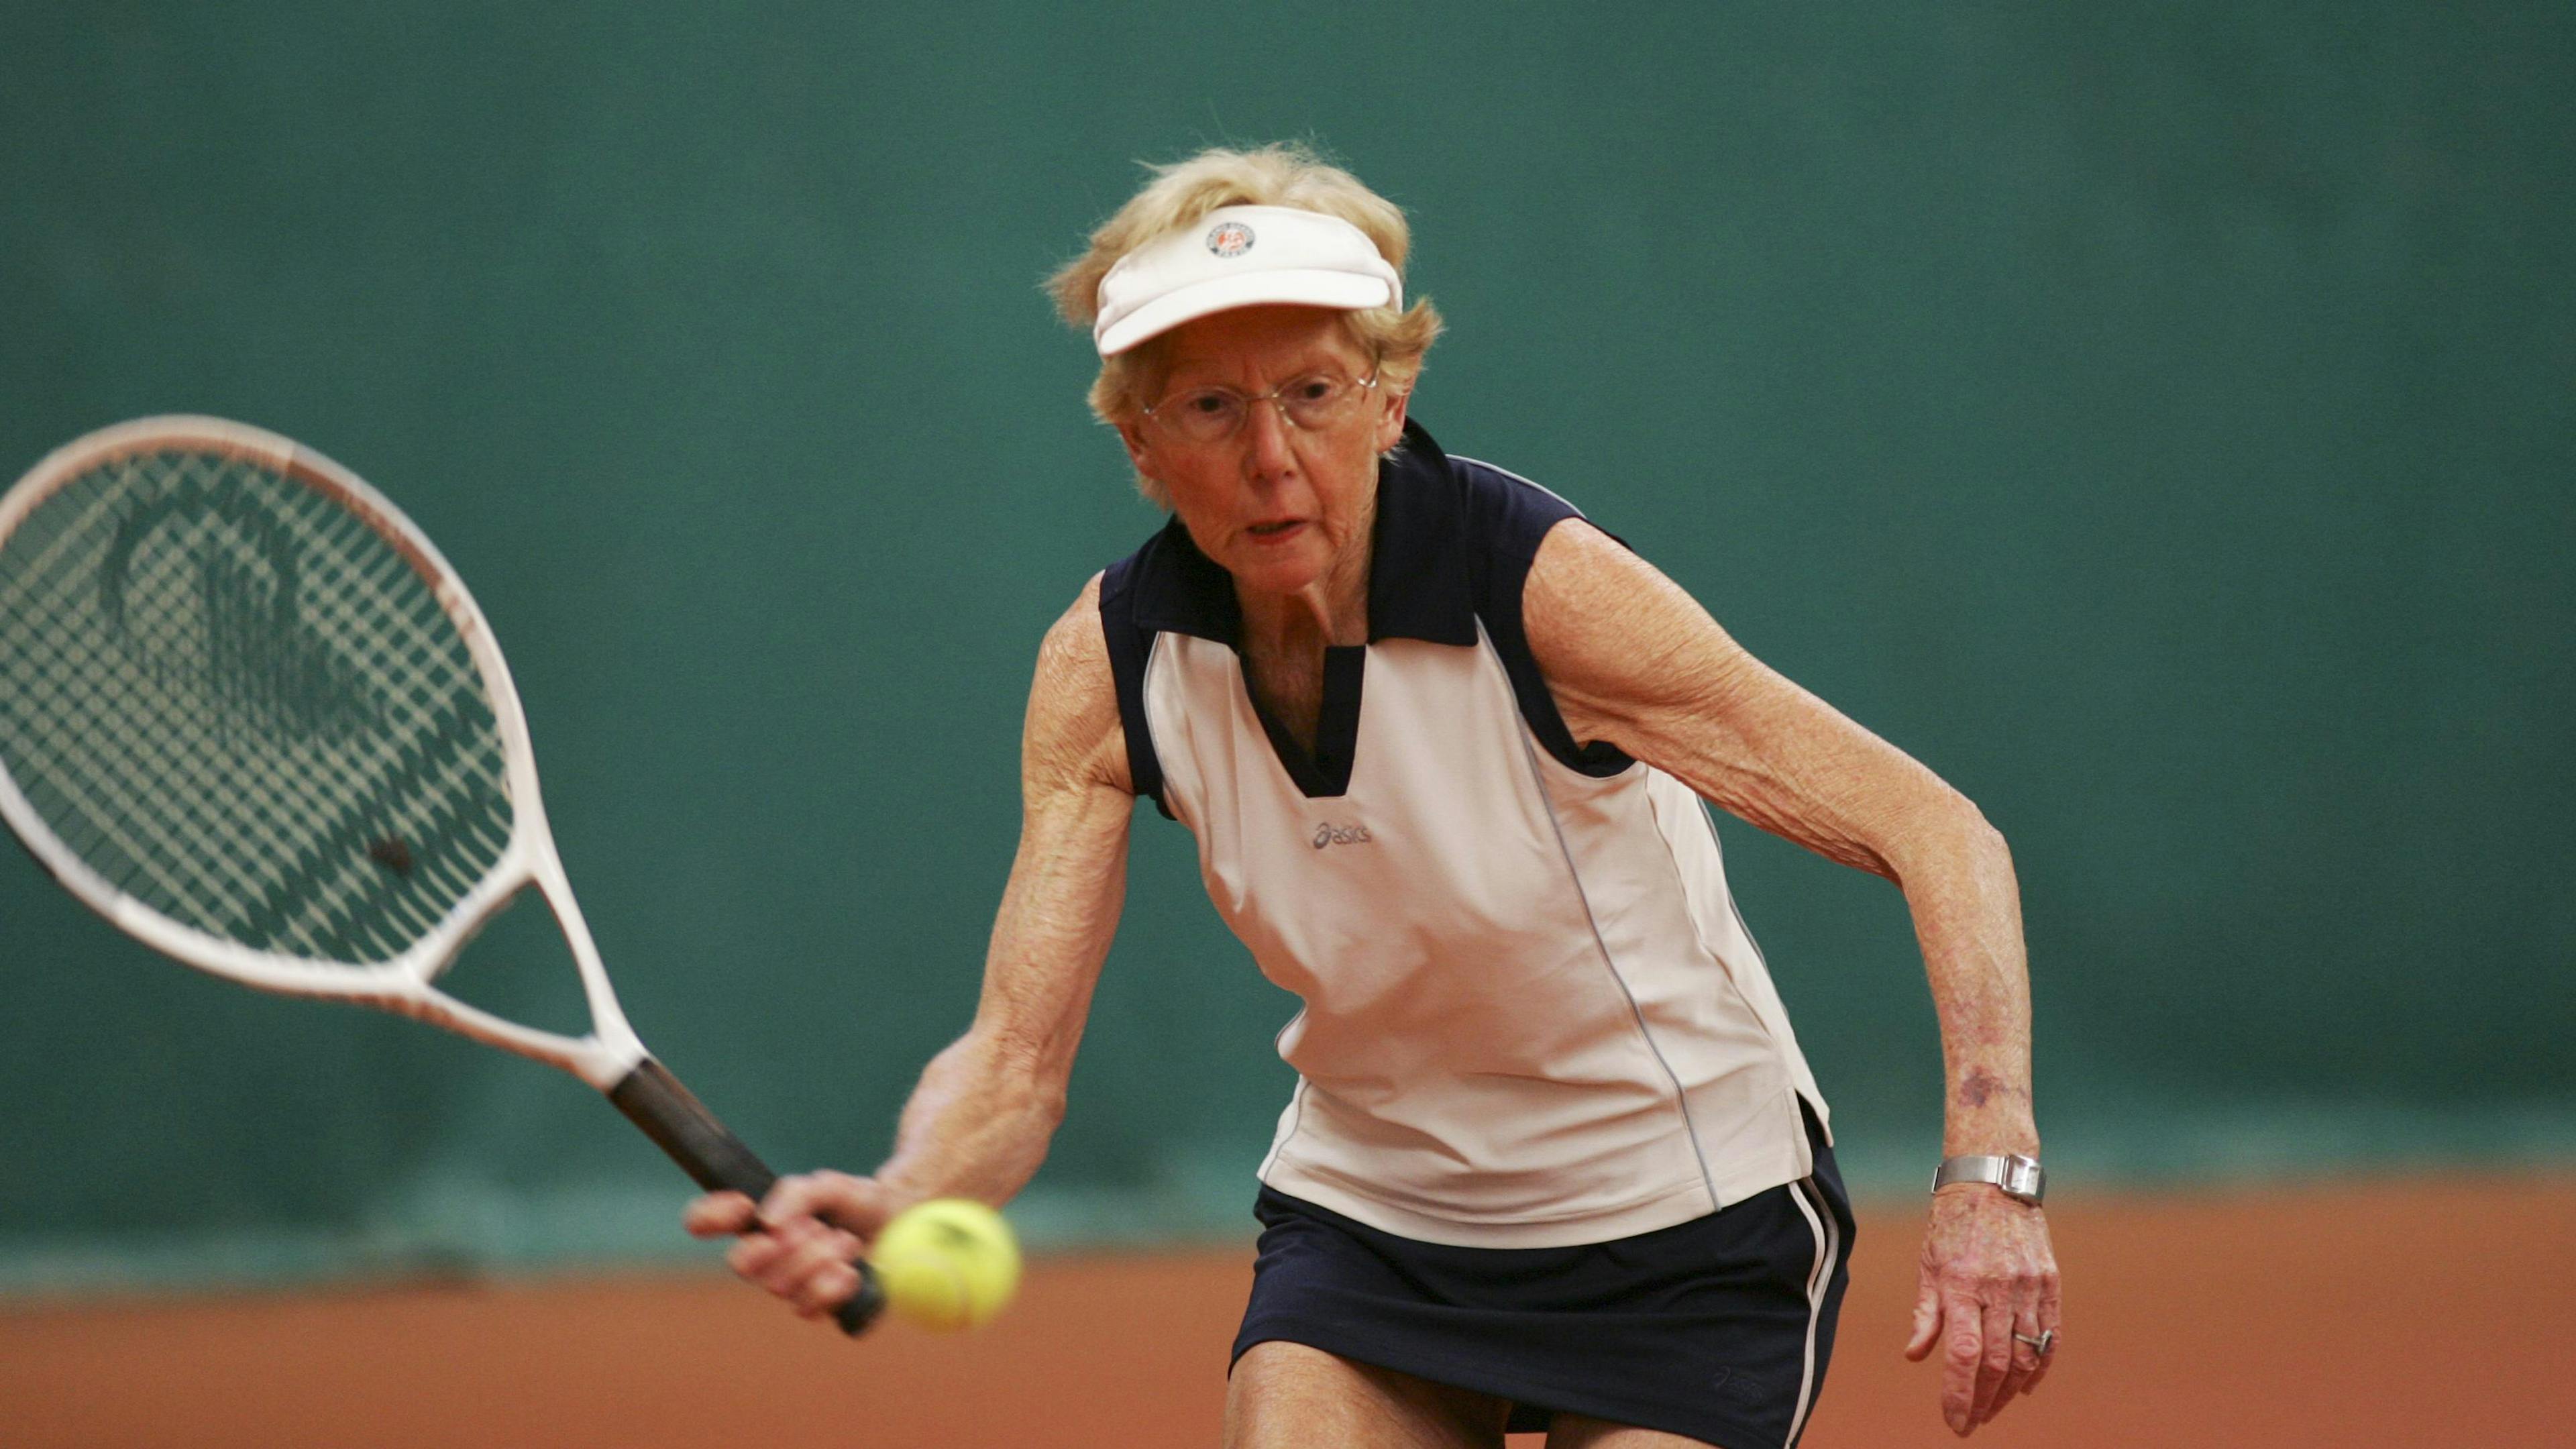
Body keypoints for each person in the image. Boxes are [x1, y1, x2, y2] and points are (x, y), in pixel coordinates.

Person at [685, 144, 2061, 1447]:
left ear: (1389, 402)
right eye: (1212, 407)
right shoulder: (1111, 667)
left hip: (1684, 1229)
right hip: (1378, 1231)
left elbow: (1937, 830)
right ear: (1142, 447)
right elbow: (1016, 1060)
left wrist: (1988, 1172)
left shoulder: (1539, 590)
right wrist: (909, 1191)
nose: (1270, 456)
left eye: (1313, 393)